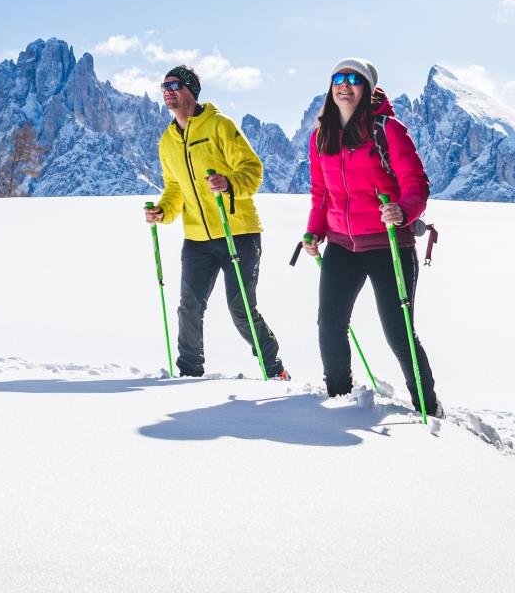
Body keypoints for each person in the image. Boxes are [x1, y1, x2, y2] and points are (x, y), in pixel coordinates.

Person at [301, 58, 441, 417]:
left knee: (398, 331)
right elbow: (321, 193)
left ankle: (427, 406)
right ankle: (339, 400)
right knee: (329, 325)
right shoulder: (321, 136)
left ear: (366, 89)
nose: (344, 85)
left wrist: (401, 211)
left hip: (388, 243)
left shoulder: (387, 130)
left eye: (353, 80)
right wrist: (315, 230)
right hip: (341, 246)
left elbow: (416, 184)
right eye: (337, 79)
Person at [143, 65, 288, 380]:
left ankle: (274, 369)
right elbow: (174, 189)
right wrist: (163, 212)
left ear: (191, 90)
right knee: (189, 307)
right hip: (197, 239)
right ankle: (189, 372)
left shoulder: (220, 125)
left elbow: (252, 168)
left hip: (239, 232)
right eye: (164, 85)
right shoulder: (167, 141)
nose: (168, 90)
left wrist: (229, 183)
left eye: (175, 84)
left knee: (240, 310)